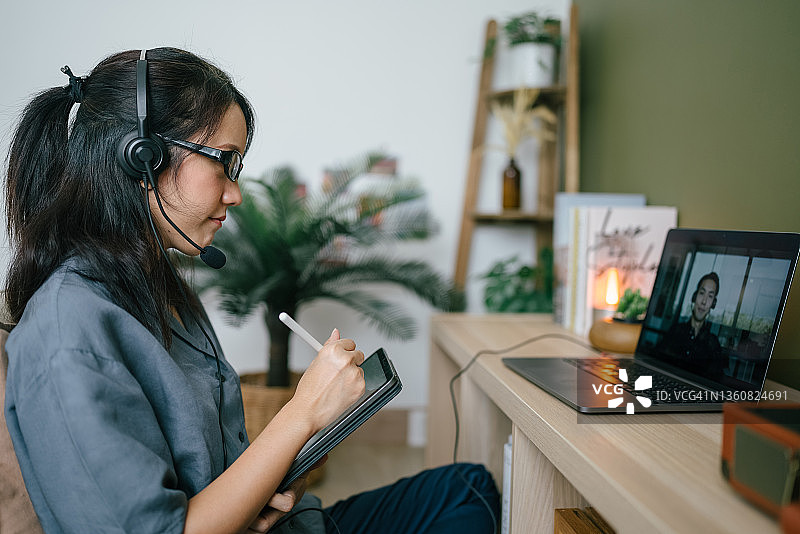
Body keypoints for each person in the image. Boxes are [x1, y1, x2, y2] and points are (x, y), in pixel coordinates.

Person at [3, 48, 499, 534]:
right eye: (223, 161)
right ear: (141, 156)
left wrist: (276, 485)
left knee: (467, 487)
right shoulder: (66, 336)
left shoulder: (161, 286)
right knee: (467, 500)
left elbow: (214, 472)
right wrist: (302, 414)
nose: (235, 192)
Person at [660, 272, 726, 378]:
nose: (704, 301)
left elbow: (716, 381)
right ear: (694, 297)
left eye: (710, 296)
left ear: (713, 304)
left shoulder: (713, 345)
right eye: (701, 293)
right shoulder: (675, 331)